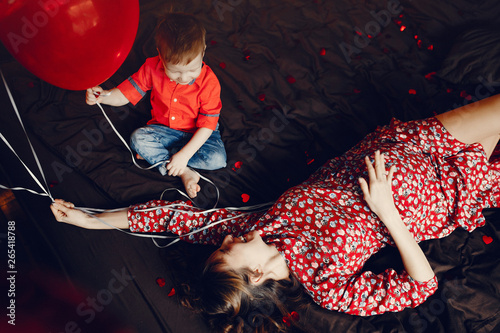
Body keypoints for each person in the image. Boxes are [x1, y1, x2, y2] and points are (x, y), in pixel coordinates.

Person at [51, 94, 500, 332]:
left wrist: (92, 219)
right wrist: (388, 214)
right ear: (258, 278)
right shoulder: (328, 287)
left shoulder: (255, 227)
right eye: (230, 253)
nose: (227, 240)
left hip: (409, 146)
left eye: (222, 246)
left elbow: (172, 220)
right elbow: (421, 286)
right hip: (447, 191)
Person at [85, 13, 227, 198]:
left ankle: (168, 158)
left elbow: (207, 125)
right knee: (138, 139)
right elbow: (125, 94)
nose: (184, 78)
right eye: (175, 72)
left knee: (218, 159)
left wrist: (184, 155)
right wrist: (103, 97)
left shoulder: (210, 82)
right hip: (164, 131)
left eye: (192, 70)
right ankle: (183, 171)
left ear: (203, 52)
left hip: (200, 134)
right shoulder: (152, 67)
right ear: (160, 55)